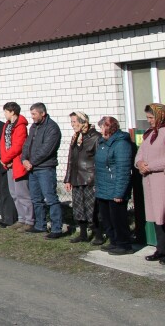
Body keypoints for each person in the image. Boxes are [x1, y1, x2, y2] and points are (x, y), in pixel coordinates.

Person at [21, 102, 64, 239]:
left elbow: (47, 150)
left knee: (50, 198)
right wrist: (24, 159)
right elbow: (27, 144)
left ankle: (57, 228)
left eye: (34, 114)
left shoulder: (52, 128)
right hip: (32, 169)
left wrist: (31, 162)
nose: (32, 117)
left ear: (42, 113)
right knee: (36, 199)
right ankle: (40, 225)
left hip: (45, 168)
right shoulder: (34, 127)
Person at [94, 116, 134, 254]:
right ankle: (114, 241)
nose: (100, 131)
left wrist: (119, 192)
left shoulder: (121, 144)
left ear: (109, 128)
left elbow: (123, 170)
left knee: (118, 219)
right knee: (107, 218)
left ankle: (124, 244)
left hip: (115, 187)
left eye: (102, 127)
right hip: (103, 187)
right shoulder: (103, 143)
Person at [64, 112, 101, 243]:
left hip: (90, 178)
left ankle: (98, 235)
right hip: (76, 178)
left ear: (82, 122)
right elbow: (71, 159)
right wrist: (68, 179)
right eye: (71, 122)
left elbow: (99, 159)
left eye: (74, 121)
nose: (72, 124)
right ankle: (83, 234)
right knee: (79, 208)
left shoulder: (95, 137)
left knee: (92, 208)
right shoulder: (76, 137)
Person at [135, 103, 165, 264]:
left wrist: (150, 166)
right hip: (149, 181)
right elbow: (139, 154)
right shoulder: (149, 134)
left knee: (163, 216)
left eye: (151, 117)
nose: (149, 121)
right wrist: (139, 163)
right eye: (147, 118)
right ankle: (160, 249)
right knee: (156, 218)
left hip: (161, 181)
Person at [0, 102, 33, 231]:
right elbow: (3, 143)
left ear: (12, 112)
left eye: (6, 111)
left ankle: (29, 220)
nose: (4, 114)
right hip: (8, 163)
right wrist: (4, 159)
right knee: (14, 193)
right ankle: (21, 218)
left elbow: (18, 146)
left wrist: (6, 158)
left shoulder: (20, 126)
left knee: (22, 194)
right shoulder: (7, 125)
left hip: (17, 163)